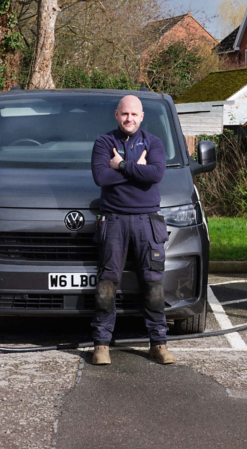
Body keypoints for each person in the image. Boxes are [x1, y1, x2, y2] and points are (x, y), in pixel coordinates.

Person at [89, 95, 174, 365]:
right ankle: (101, 345)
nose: (129, 119)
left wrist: (123, 165)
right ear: (117, 115)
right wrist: (139, 170)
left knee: (153, 283)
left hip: (147, 221)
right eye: (125, 114)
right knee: (107, 283)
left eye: (134, 114)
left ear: (141, 116)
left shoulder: (153, 142)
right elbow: (101, 177)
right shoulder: (104, 142)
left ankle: (158, 344)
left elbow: (156, 174)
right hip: (113, 220)